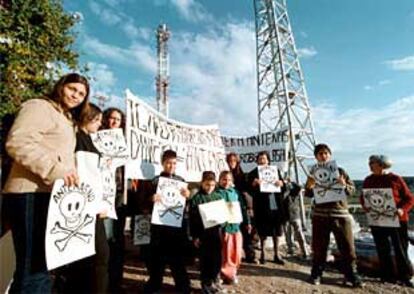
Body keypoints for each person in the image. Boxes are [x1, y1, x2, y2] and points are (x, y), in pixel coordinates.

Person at [2, 73, 89, 293]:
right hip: (29, 192)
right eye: (73, 89)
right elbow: (18, 142)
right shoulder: (38, 107)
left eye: (81, 94)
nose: (76, 96)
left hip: (49, 194)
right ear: (61, 86)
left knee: (39, 266)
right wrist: (56, 170)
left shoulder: (68, 120)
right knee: (33, 266)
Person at [56, 103, 109, 294]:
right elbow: (86, 175)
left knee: (94, 257)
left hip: (89, 204)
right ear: (88, 118)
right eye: (98, 120)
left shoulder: (86, 138)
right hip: (83, 205)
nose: (100, 125)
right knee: (96, 257)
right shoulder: (77, 139)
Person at [305, 143, 362, 287]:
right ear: (316, 157)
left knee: (347, 247)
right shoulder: (313, 173)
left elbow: (352, 190)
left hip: (340, 214)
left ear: (329, 155)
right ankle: (316, 274)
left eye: (325, 153)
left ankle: (351, 275)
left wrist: (344, 185)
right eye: (320, 154)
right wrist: (309, 186)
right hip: (320, 215)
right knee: (319, 247)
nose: (323, 156)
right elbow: (308, 194)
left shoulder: (340, 171)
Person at [360, 155, 414, 287]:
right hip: (378, 220)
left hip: (397, 220)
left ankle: (405, 276)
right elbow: (363, 197)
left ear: (381, 164)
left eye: (372, 163)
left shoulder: (395, 179)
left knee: (400, 248)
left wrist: (402, 210)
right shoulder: (368, 180)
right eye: (369, 162)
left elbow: (410, 199)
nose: (370, 165)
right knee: (382, 248)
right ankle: (387, 276)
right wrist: (365, 206)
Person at [144, 150, 191, 294]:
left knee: (177, 260)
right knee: (157, 260)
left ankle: (183, 287)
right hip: (159, 227)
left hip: (176, 228)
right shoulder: (155, 181)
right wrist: (151, 199)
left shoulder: (181, 181)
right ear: (163, 163)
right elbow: (144, 202)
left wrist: (188, 196)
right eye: (169, 163)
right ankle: (155, 286)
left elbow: (187, 205)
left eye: (174, 163)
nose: (171, 166)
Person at [101, 107, 127, 293]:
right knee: (107, 237)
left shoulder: (125, 142)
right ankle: (105, 281)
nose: (113, 122)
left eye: (117, 119)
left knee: (118, 239)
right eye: (110, 118)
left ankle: (116, 280)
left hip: (121, 196)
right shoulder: (99, 138)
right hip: (104, 194)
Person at [189, 171, 225, 294]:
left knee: (217, 259)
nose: (209, 188)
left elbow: (223, 216)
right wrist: (195, 236)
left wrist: (223, 223)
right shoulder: (197, 198)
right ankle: (206, 283)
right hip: (203, 235)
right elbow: (192, 220)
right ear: (202, 183)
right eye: (207, 185)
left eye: (212, 185)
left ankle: (215, 280)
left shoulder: (218, 197)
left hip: (216, 234)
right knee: (205, 260)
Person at [247, 151, 285, 265]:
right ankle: (262, 253)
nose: (262, 161)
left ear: (268, 160)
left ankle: (276, 254)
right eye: (260, 159)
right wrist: (253, 184)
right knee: (262, 230)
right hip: (261, 205)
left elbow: (283, 185)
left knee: (276, 230)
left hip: (275, 203)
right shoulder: (253, 173)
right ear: (257, 161)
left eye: (264, 158)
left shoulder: (275, 171)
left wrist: (281, 183)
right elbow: (248, 189)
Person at [217, 171, 250, 285]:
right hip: (223, 228)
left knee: (235, 252)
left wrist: (247, 222)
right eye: (224, 179)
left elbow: (243, 208)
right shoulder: (217, 193)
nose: (226, 182)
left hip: (235, 227)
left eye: (229, 180)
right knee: (224, 252)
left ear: (232, 181)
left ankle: (232, 273)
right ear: (219, 180)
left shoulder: (236, 193)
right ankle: (222, 274)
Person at [226, 153, 257, 264]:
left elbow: (247, 189)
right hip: (228, 205)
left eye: (234, 160)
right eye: (230, 160)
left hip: (240, 206)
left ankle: (250, 255)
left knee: (245, 231)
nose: (232, 163)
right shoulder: (223, 174)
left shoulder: (242, 175)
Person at [282, 178, 309, 259]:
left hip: (295, 215)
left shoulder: (294, 192)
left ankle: (304, 251)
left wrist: (291, 182)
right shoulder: (282, 192)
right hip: (285, 216)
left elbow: (299, 187)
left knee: (299, 234)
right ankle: (291, 250)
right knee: (288, 235)